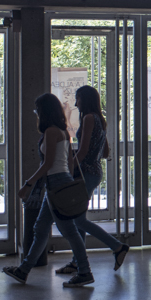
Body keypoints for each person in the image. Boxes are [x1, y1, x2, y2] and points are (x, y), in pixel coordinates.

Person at [3, 93, 94, 288]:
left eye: (37, 110)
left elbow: (48, 163)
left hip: (55, 183)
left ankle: (85, 271)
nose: (36, 113)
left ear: (44, 111)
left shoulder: (52, 132)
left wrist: (28, 184)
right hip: (61, 182)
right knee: (41, 228)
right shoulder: (63, 132)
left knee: (69, 231)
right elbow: (69, 161)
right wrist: (67, 181)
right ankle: (23, 270)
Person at [55, 85, 129, 278]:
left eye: (78, 98)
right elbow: (104, 151)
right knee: (79, 219)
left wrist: (68, 171)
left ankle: (117, 247)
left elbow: (84, 150)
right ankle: (77, 261)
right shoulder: (98, 119)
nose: (75, 103)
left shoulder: (88, 118)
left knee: (78, 219)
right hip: (93, 172)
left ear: (84, 99)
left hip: (85, 173)